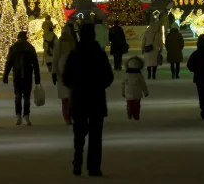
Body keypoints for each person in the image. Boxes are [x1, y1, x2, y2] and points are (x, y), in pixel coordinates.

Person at [63, 24, 114, 177]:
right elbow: (108, 77)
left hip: (79, 99)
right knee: (95, 135)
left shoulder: (74, 54)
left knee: (78, 133)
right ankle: (94, 167)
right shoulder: (99, 54)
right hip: (96, 99)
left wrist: (75, 86)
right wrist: (99, 86)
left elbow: (66, 77)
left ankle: (77, 162)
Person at [3, 31, 41, 126]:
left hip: (18, 75)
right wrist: (37, 77)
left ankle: (19, 115)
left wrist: (6, 75)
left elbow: (9, 63)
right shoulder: (29, 48)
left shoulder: (14, 48)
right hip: (26, 75)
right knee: (25, 97)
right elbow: (35, 64)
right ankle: (25, 116)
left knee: (19, 96)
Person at [52, 25, 77, 125]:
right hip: (62, 72)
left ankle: (70, 116)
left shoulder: (72, 44)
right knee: (66, 98)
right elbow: (55, 58)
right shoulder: (60, 43)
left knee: (70, 97)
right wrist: (54, 72)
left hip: (70, 72)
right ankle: (68, 116)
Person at [122, 56, 149, 120]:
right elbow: (143, 84)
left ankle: (129, 112)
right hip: (137, 94)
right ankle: (136, 115)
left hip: (128, 93)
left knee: (129, 104)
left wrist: (123, 92)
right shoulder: (139, 75)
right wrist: (146, 92)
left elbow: (122, 84)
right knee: (137, 105)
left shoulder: (126, 75)